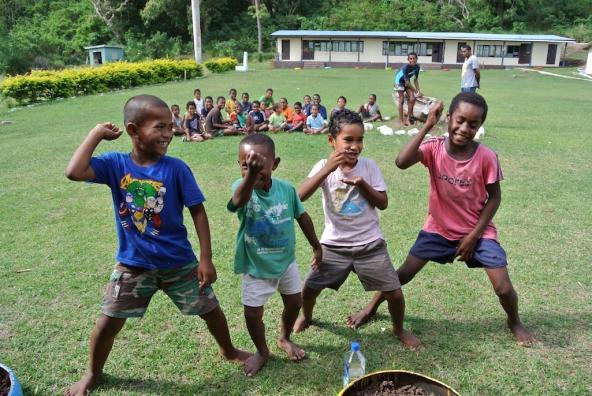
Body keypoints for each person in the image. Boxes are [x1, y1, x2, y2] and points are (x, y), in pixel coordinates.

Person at [64, 95, 251, 396]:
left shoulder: (176, 168)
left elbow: (198, 211)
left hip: (179, 262)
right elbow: (74, 171)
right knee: (108, 322)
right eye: (159, 127)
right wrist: (97, 133)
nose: (168, 133)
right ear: (133, 130)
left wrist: (206, 258)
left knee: (210, 309)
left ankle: (228, 350)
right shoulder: (115, 164)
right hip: (133, 264)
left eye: (170, 126)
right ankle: (92, 373)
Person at [347, 93, 536, 347]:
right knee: (401, 274)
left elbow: (494, 199)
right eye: (459, 120)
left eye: (473, 124)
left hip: (477, 233)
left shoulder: (486, 157)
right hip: (438, 230)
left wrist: (473, 236)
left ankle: (514, 321)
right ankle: (370, 308)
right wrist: (426, 125)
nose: (464, 128)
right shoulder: (434, 147)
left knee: (503, 288)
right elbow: (401, 162)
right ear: (448, 118)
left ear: (479, 126)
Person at [293, 109, 421, 349]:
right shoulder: (323, 166)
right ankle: (306, 316)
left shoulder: (369, 167)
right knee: (308, 290)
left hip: (370, 244)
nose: (354, 146)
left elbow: (382, 203)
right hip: (333, 245)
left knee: (394, 293)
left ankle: (399, 329)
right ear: (331, 141)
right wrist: (327, 169)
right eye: (348, 140)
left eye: (359, 139)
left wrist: (362, 184)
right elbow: (299, 197)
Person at [228, 133, 322, 376]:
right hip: (256, 265)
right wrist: (250, 176)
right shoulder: (242, 188)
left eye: (261, 165)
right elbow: (236, 202)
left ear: (275, 164)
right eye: (246, 165)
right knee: (252, 313)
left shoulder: (287, 190)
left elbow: (302, 217)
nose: (254, 171)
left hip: (285, 261)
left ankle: (284, 338)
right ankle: (262, 350)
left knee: (293, 303)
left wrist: (316, 246)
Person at [394, 53, 421, 126]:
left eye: (414, 58)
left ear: (416, 59)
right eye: (410, 58)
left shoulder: (417, 67)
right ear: (408, 60)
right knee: (401, 100)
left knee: (412, 98)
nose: (412, 60)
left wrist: (418, 91)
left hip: (406, 82)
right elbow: (407, 83)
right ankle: (401, 121)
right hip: (399, 82)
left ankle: (409, 117)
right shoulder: (406, 67)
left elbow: (415, 80)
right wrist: (415, 91)